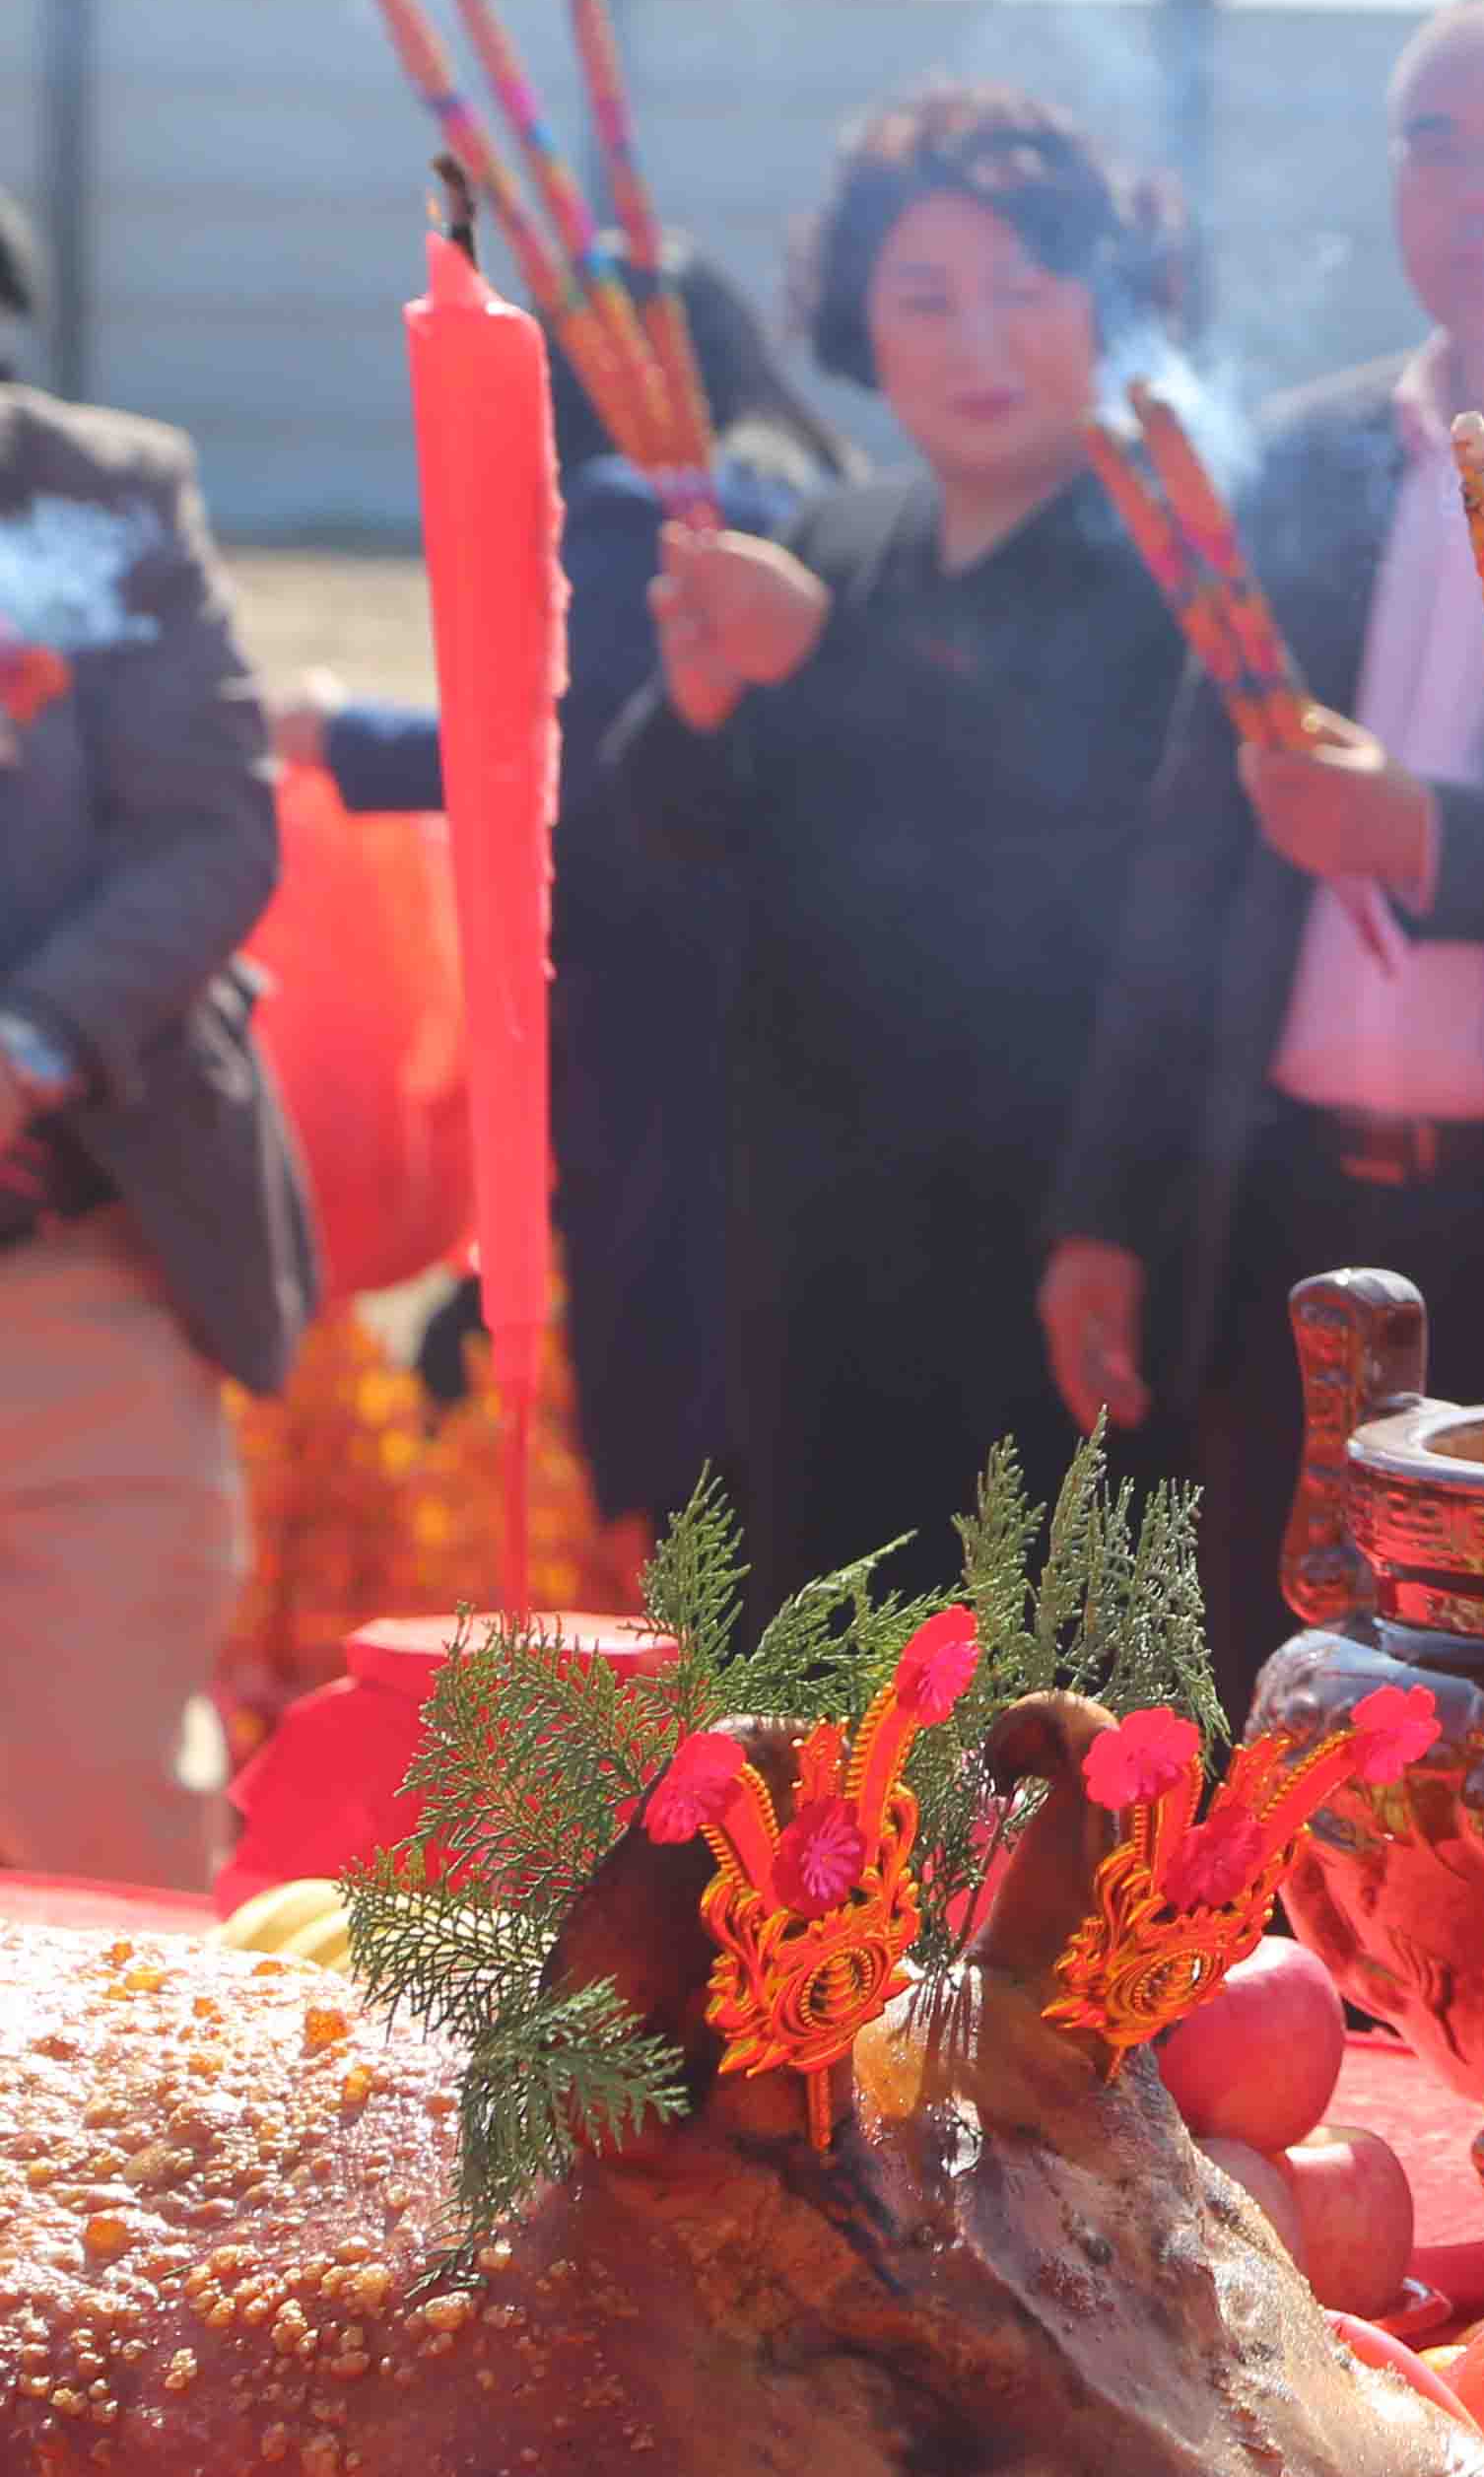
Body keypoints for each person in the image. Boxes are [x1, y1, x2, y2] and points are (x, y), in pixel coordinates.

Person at [1048, 0, 1484, 1704]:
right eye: (1434, 147)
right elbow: (1189, 862)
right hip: (1291, 1222)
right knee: (1283, 1717)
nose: (1482, 189)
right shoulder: (1313, 457)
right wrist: (1105, 1208)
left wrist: (1430, 844)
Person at [610, 84, 1193, 1603]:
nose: (974, 343)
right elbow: (653, 849)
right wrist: (697, 709)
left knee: (1046, 1700)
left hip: (1062, 1252)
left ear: (1112, 304)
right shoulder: (834, 541)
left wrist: (824, 663)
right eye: (922, 299)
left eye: (1026, 288)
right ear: (859, 326)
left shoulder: (1173, 560)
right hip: (809, 1246)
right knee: (807, 1692)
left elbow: (1094, 839)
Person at [276, 253, 854, 1527]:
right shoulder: (818, 492)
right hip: (812, 1022)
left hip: (651, 1020)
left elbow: (564, 759)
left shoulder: (625, 507)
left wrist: (344, 737)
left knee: (668, 1423)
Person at [0, 204, 313, 1886]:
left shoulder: (95, 496)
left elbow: (210, 826)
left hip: (75, 1274)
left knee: (95, 1834)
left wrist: (32, 1036)